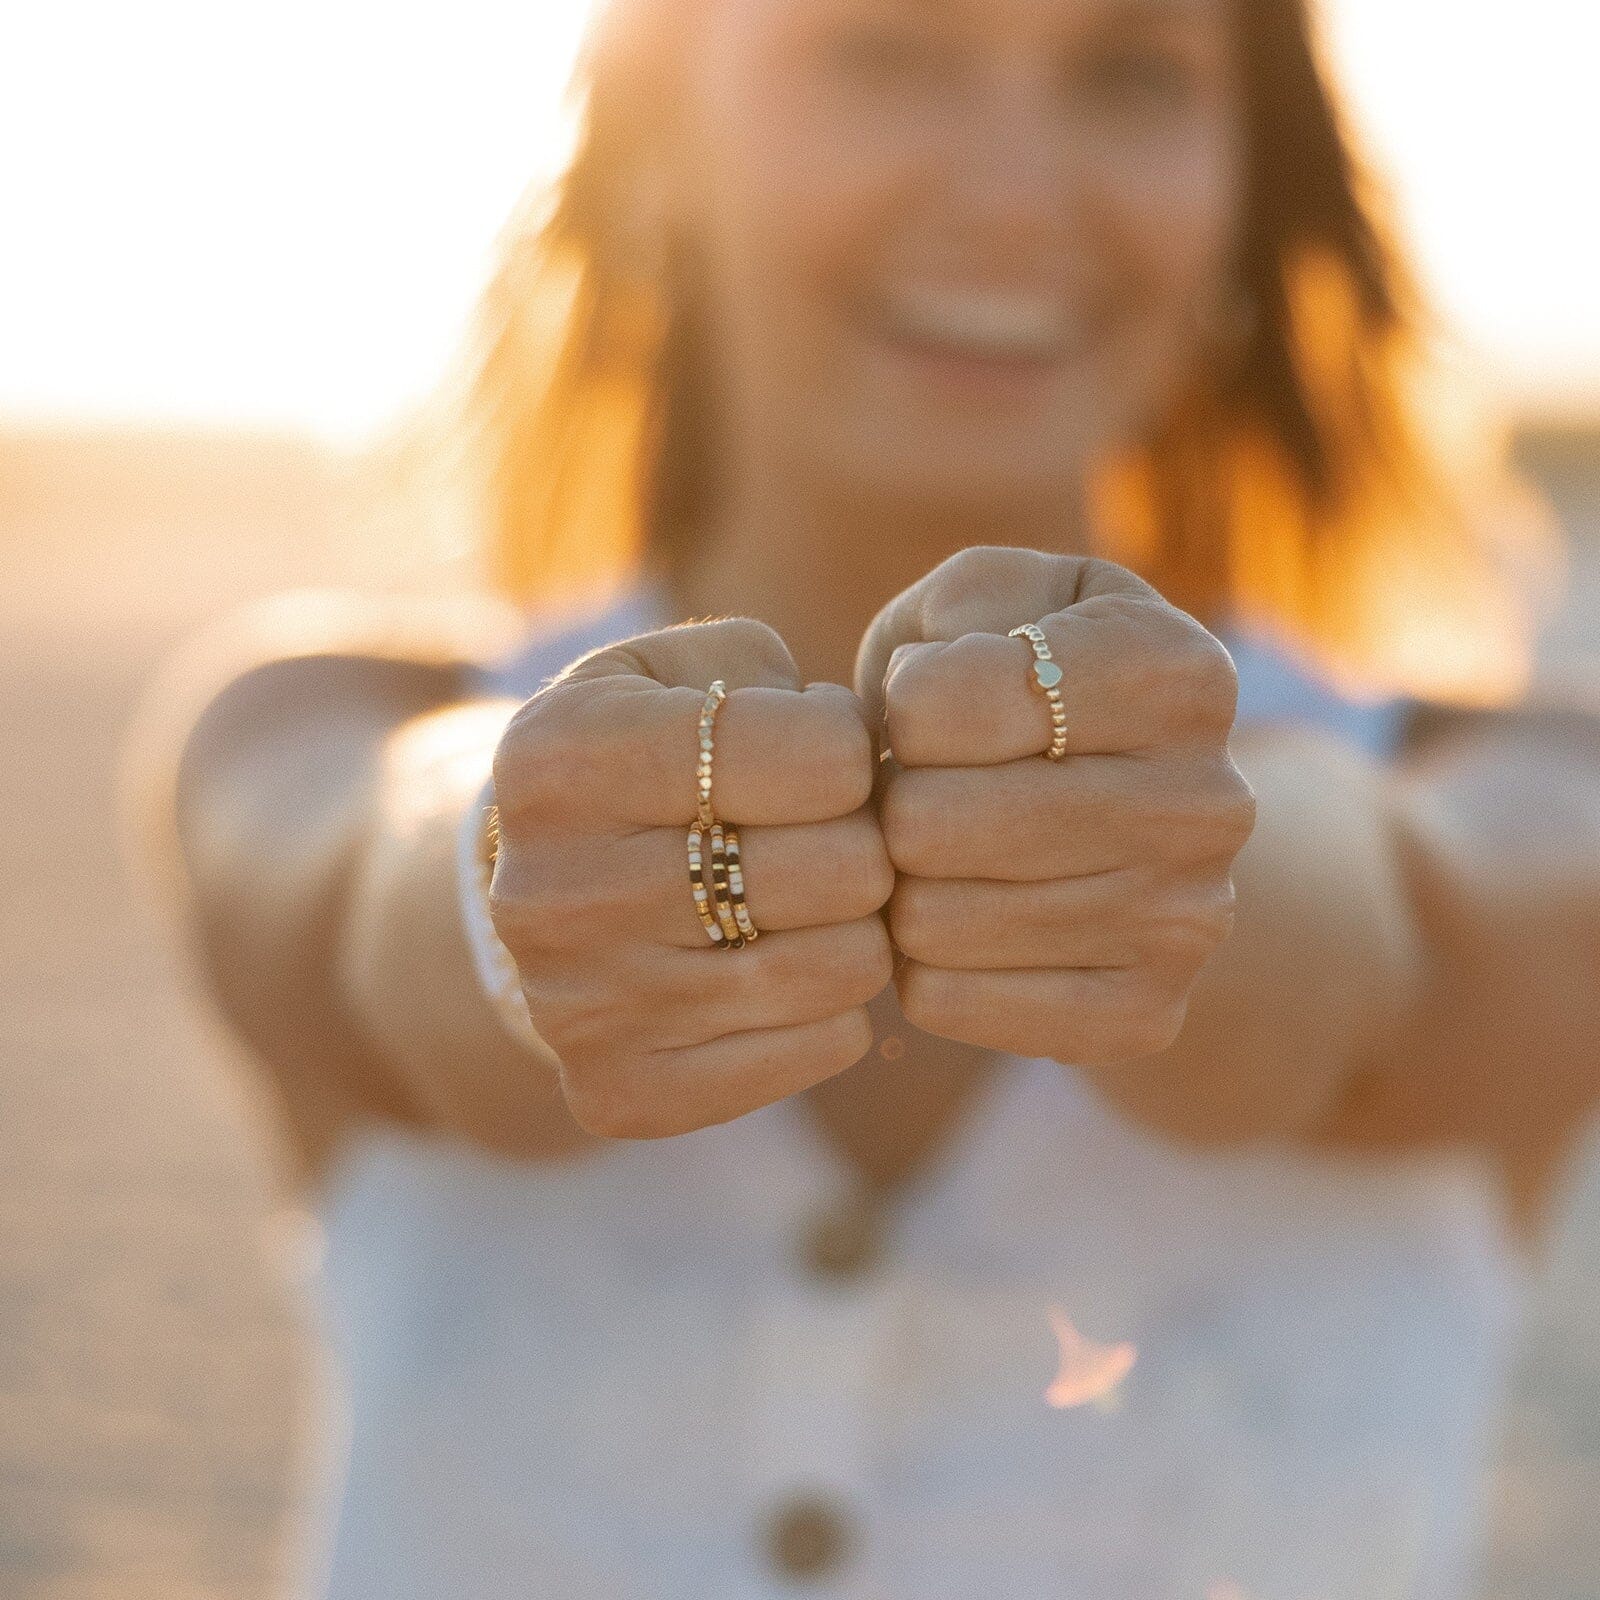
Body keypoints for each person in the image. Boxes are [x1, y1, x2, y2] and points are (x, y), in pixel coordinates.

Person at [127, 0, 1600, 1595]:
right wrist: (509, 866)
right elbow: (372, 894)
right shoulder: (310, 725)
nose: (1012, 189)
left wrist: (1210, 861)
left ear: (1245, 185)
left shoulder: (1528, 790)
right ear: (652, 139)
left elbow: (1396, 944)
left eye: (1129, 73)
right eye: (882, 47)